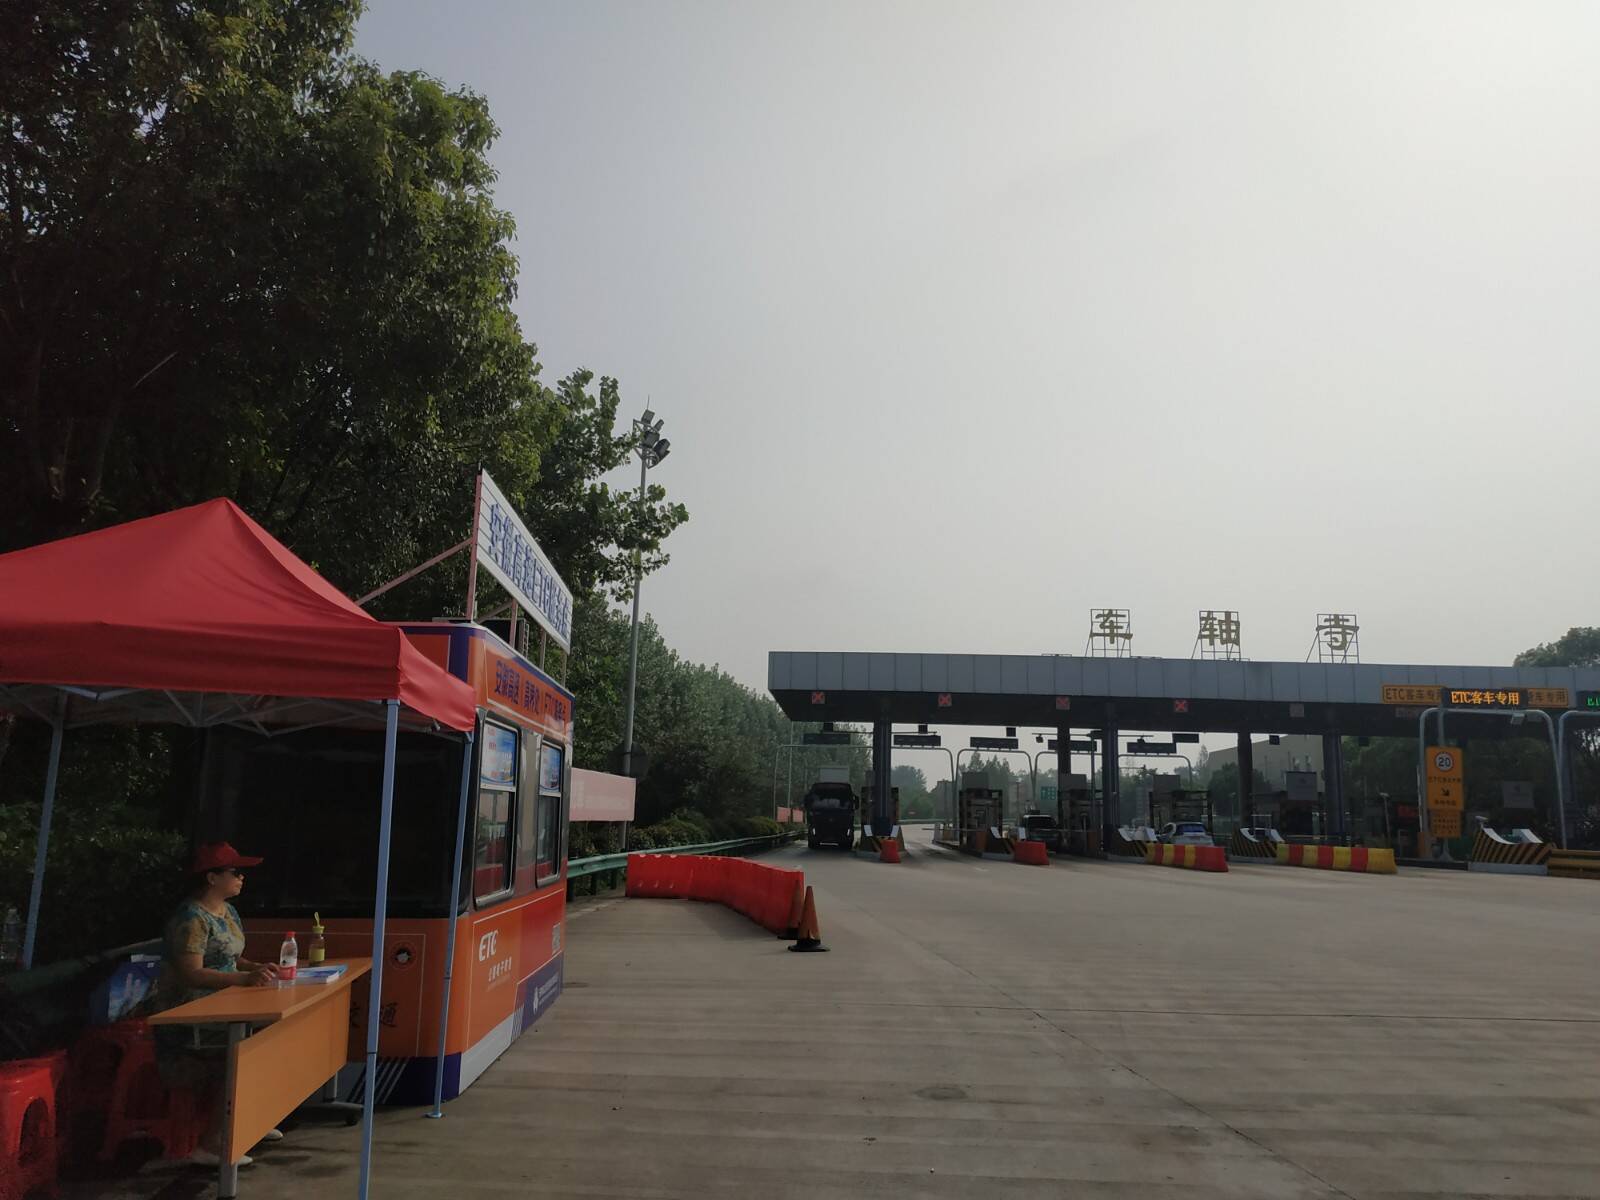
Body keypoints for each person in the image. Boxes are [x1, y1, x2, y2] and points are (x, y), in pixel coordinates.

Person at [147, 842, 281, 1168]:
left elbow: (232, 959)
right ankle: (212, 1143)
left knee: (276, 1033)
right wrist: (243, 979)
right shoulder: (190, 918)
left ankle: (251, 1119)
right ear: (211, 877)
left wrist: (257, 968)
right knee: (245, 1047)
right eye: (235, 872)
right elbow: (191, 973)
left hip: (228, 1005)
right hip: (188, 1017)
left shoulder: (228, 912)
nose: (241, 878)